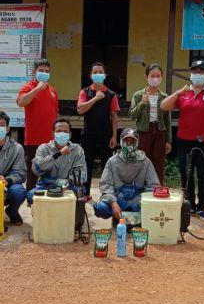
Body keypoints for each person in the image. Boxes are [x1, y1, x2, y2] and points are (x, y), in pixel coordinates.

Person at [161, 60, 204, 222]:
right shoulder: (184, 93)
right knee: (186, 173)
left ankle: (202, 207)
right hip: (185, 141)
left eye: (201, 72)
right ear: (190, 74)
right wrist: (178, 93)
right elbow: (164, 106)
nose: (198, 75)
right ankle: (190, 204)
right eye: (195, 72)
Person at [93, 129, 160, 222]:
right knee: (101, 208)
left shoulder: (145, 161)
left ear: (137, 143)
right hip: (118, 199)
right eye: (126, 141)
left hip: (137, 201)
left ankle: (126, 217)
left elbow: (153, 186)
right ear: (121, 142)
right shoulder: (112, 161)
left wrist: (142, 200)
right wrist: (113, 203)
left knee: (154, 208)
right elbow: (105, 185)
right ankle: (123, 216)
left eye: (132, 142)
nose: (129, 145)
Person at [77, 62, 120, 196]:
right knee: (86, 165)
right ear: (91, 75)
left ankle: (107, 194)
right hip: (88, 134)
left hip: (106, 134)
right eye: (95, 72)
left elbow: (114, 116)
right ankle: (85, 194)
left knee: (107, 165)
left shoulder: (111, 94)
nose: (98, 74)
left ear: (105, 75)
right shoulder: (85, 92)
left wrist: (114, 136)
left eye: (100, 72)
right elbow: (80, 109)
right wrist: (95, 98)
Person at [16, 59, 59, 192]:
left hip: (51, 139)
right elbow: (21, 102)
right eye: (41, 70)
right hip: (34, 138)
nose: (44, 73)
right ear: (34, 72)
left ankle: (48, 196)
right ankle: (31, 198)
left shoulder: (53, 90)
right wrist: (37, 89)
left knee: (51, 170)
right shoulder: (28, 87)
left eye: (47, 71)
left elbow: (56, 113)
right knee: (33, 171)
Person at [128, 63, 172, 184]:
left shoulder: (164, 96)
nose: (155, 79)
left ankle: (157, 188)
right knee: (141, 161)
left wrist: (168, 140)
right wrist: (142, 103)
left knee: (158, 162)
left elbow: (167, 121)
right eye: (152, 76)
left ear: (162, 77)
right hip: (143, 132)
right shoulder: (138, 95)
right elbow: (132, 115)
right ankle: (140, 188)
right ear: (146, 77)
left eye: (158, 76)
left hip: (160, 132)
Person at [27, 118, 87, 204]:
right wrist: (58, 154)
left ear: (70, 134)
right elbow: (37, 169)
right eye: (58, 131)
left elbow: (82, 173)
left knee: (81, 193)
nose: (62, 134)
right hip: (46, 185)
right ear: (53, 134)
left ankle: (74, 213)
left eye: (65, 131)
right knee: (31, 196)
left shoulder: (77, 150)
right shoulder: (43, 148)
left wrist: (67, 182)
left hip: (69, 185)